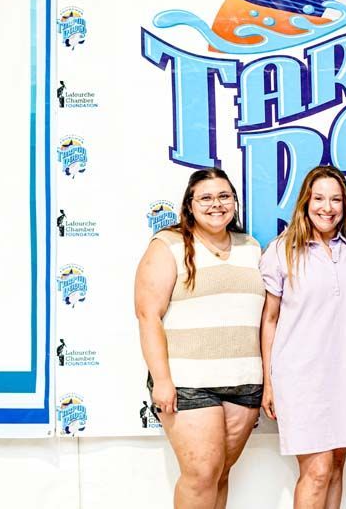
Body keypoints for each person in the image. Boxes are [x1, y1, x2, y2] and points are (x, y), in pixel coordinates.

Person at [134, 168, 265, 509]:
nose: (216, 204)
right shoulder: (168, 245)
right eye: (205, 198)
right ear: (189, 205)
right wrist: (162, 381)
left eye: (224, 196)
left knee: (220, 474)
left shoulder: (250, 247)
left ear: (234, 202)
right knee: (201, 475)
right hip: (189, 381)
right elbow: (147, 315)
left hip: (245, 380)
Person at [259, 165, 346, 509]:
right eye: (319, 198)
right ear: (305, 202)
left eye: (336, 199)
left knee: (336, 468)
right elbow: (270, 320)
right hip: (300, 377)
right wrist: (269, 382)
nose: (328, 207)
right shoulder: (282, 251)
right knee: (317, 470)